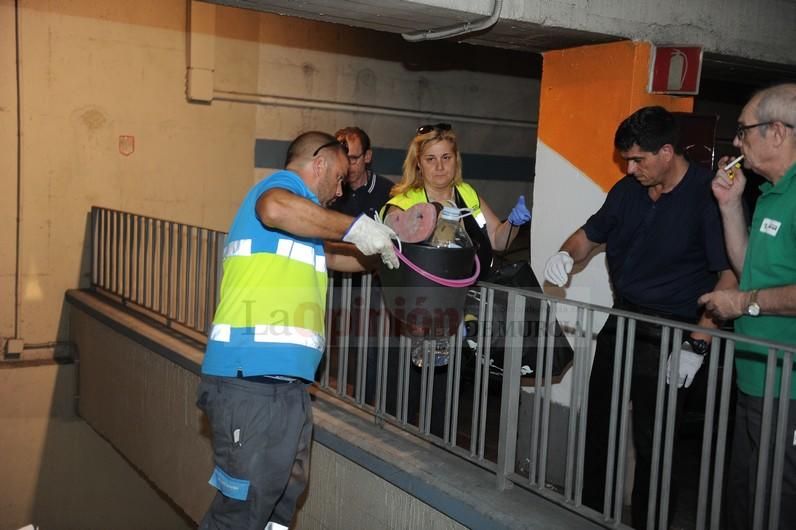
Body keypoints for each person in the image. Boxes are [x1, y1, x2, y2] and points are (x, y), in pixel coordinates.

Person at [543, 106, 736, 528]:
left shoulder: (707, 196)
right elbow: (588, 236)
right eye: (627, 160)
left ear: (667, 151)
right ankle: (588, 515)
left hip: (674, 329)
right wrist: (565, 254)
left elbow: (728, 275)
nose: (631, 169)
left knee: (656, 444)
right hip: (624, 318)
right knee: (599, 427)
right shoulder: (626, 191)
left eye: (639, 160)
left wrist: (697, 344)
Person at [196, 131, 399, 530]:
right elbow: (273, 208)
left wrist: (390, 250)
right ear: (318, 163)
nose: (340, 190)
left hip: (286, 388)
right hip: (249, 381)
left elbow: (348, 261)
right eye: (339, 178)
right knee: (241, 513)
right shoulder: (281, 189)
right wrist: (358, 228)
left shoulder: (304, 229)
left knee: (279, 506)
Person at [697, 83, 796, 530]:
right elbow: (748, 266)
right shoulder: (772, 193)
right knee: (746, 494)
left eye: (744, 131)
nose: (737, 142)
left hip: (791, 390)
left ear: (777, 132)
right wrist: (731, 206)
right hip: (758, 377)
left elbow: (748, 292)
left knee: (777, 502)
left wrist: (743, 303)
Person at [383, 122, 531, 276]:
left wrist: (513, 223)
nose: (439, 167)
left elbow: (496, 240)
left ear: (456, 159)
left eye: (446, 157)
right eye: (430, 159)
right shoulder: (404, 204)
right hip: (427, 294)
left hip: (475, 291)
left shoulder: (467, 193)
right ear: (419, 163)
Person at [330, 126, 393, 219]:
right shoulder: (329, 191)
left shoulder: (388, 193)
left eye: (353, 159)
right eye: (342, 159)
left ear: (367, 156)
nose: (347, 166)